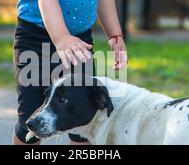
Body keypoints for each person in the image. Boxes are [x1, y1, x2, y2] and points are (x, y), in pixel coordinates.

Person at [13, 0, 128, 145]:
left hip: (79, 42)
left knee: (84, 117)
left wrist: (114, 35)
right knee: (30, 120)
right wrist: (61, 37)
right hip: (35, 39)